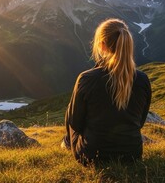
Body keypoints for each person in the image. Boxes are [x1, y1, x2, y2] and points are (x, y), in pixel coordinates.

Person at [62, 18, 151, 166]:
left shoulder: (87, 78)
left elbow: (75, 123)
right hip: (132, 155)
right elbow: (140, 122)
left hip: (91, 156)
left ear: (102, 45)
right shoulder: (142, 79)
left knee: (71, 111)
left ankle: (66, 142)